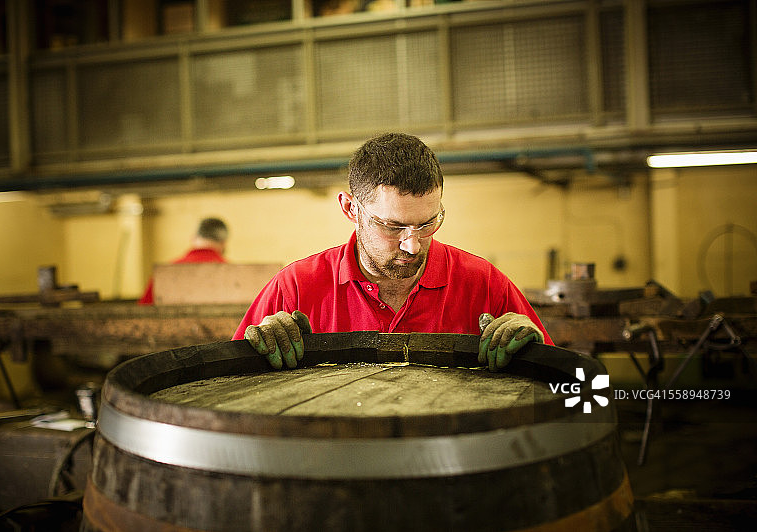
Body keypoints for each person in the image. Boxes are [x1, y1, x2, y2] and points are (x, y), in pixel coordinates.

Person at [233, 133, 552, 370]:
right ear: (350, 208)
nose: (412, 245)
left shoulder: (485, 286)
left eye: (428, 223)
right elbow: (230, 387)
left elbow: (569, 391)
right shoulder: (295, 289)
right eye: (392, 226)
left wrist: (538, 360)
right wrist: (257, 354)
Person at [138, 217, 228, 305]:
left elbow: (143, 309)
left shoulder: (165, 272)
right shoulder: (231, 271)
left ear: (193, 238)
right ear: (224, 243)